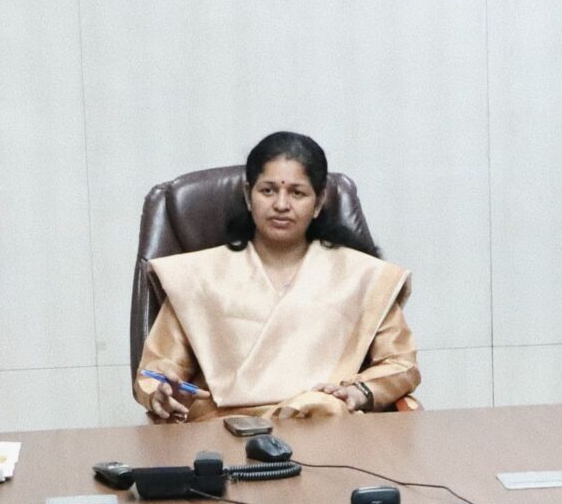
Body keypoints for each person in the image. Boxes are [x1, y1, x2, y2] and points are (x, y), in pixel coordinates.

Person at [136, 131, 420, 422]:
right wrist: (162, 392)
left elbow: (401, 364)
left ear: (319, 202)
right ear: (248, 195)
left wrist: (360, 392)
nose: (281, 205)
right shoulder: (198, 276)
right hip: (227, 429)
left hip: (328, 424)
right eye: (268, 191)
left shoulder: (362, 276)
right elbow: (155, 371)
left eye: (297, 193)